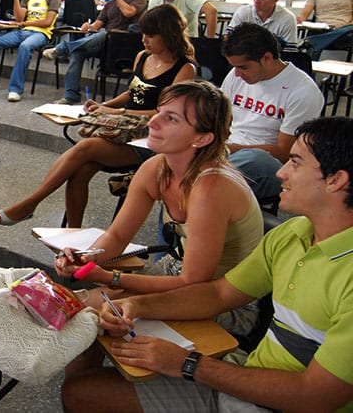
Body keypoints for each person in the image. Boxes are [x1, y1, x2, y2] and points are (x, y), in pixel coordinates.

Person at [64, 116, 353, 413]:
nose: (280, 172)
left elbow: (315, 397)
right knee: (81, 393)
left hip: (282, 402)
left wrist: (189, 365)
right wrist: (138, 306)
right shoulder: (292, 234)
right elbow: (218, 295)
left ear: (335, 180)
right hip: (250, 378)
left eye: (295, 162)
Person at [54, 81, 262, 337]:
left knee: (87, 314)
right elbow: (117, 237)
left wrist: (112, 278)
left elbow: (193, 283)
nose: (153, 122)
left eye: (171, 119)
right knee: (79, 308)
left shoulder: (212, 187)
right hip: (178, 273)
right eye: (159, 112)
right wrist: (87, 258)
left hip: (225, 299)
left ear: (202, 138)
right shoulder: (156, 168)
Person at [0, 4, 195, 227]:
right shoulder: (143, 57)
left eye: (151, 35)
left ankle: (31, 203)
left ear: (168, 34)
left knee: (85, 148)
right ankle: (73, 233)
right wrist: (104, 104)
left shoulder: (185, 69)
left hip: (153, 140)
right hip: (127, 128)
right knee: (80, 170)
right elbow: (133, 91)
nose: (144, 39)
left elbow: (166, 115)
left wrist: (116, 111)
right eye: (144, 34)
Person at [221, 23, 324, 201]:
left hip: (271, 165)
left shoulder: (303, 91)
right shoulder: (235, 75)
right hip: (230, 150)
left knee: (251, 159)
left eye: (243, 67)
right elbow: (221, 118)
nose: (237, 74)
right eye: (235, 67)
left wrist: (228, 149)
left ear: (267, 58)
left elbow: (285, 152)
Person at [42, 0, 147, 105]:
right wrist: (88, 26)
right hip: (105, 44)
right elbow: (97, 25)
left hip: (124, 45)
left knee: (106, 34)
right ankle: (71, 95)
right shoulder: (110, 5)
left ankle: (62, 48)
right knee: (78, 52)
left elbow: (129, 12)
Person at [0, 0, 60, 102]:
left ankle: (15, 89)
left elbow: (48, 22)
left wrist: (25, 24)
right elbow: (19, 18)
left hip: (41, 34)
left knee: (25, 46)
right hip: (23, 31)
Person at [225, 0, 298, 47]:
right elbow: (227, 39)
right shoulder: (243, 12)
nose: (256, 1)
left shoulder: (288, 19)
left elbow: (290, 50)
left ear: (275, 0)